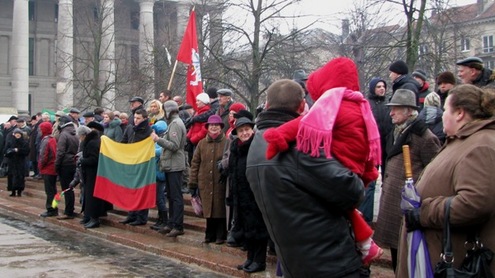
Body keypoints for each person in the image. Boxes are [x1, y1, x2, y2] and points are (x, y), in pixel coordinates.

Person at [263, 58, 383, 267]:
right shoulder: (360, 103)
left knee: (344, 205)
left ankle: (366, 245)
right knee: (348, 208)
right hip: (357, 164)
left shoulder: (333, 103)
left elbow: (304, 124)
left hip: (341, 161)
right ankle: (365, 244)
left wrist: (279, 136)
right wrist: (370, 168)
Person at [246, 79, 365, 277]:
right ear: (302, 106)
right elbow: (352, 191)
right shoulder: (299, 145)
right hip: (329, 262)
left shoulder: (256, 143)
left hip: (292, 261)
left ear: (266, 105)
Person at [397, 84, 495, 277]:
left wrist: (423, 212)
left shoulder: (480, 146)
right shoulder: (465, 140)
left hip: (456, 261)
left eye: (445, 110)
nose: (442, 115)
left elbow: (475, 203)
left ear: (459, 113)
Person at [373, 89, 441, 272]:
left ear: (409, 111)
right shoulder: (397, 131)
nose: (391, 113)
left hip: (406, 205)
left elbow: (434, 171)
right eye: (391, 108)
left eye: (396, 108)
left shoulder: (424, 137)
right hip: (394, 201)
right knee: (396, 254)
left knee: (406, 257)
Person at [228, 117, 269, 273]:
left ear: (252, 130)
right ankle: (250, 258)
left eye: (247, 129)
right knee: (247, 229)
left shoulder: (256, 145)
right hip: (240, 194)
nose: (244, 133)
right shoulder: (235, 147)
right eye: (241, 130)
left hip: (255, 194)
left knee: (258, 229)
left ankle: (259, 261)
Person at [189, 115, 228, 245]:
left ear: (221, 127)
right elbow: (195, 164)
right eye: (211, 125)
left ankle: (220, 235)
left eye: (216, 125)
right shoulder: (202, 143)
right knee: (208, 209)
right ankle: (209, 233)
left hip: (220, 182)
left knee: (220, 208)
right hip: (204, 182)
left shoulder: (227, 142)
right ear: (207, 127)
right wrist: (193, 182)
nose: (214, 127)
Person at [152, 100, 187, 237]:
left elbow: (174, 145)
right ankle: (171, 223)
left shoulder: (176, 124)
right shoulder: (172, 124)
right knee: (171, 196)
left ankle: (178, 225)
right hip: (170, 164)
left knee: (176, 197)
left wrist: (157, 140)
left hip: (175, 165)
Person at [363, 77, 393, 223]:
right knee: (370, 183)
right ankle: (366, 218)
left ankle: (386, 217)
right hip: (372, 149)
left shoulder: (389, 105)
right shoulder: (367, 105)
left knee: (388, 183)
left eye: (383, 86)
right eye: (379, 87)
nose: (382, 89)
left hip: (387, 148)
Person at [119, 109, 153, 226]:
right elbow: (123, 142)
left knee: (141, 191)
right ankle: (131, 214)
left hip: (142, 165)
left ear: (144, 118)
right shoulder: (129, 128)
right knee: (130, 190)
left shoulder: (148, 130)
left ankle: (141, 217)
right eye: (134, 118)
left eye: (138, 118)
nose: (135, 120)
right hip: (130, 163)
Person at [79, 121, 111, 229]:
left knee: (92, 197)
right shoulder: (93, 141)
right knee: (90, 196)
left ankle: (94, 218)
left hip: (93, 173)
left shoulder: (93, 143)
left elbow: (94, 159)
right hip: (91, 173)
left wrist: (82, 160)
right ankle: (91, 217)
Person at [55, 115, 79, 219]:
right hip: (73, 162)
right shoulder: (75, 133)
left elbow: (60, 152)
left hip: (65, 163)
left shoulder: (63, 134)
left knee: (66, 188)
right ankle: (70, 210)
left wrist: (56, 164)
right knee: (70, 188)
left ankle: (68, 211)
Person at [149, 120, 169, 232]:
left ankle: (164, 220)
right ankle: (160, 219)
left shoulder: (162, 140)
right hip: (155, 172)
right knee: (158, 198)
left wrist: (150, 150)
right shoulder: (156, 140)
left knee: (160, 198)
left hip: (160, 173)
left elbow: (161, 151)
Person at [38, 121, 58, 217]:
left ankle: (51, 209)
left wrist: (40, 166)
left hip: (48, 168)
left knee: (50, 191)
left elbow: (43, 156)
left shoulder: (46, 140)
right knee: (53, 190)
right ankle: (54, 207)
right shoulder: (52, 139)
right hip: (52, 168)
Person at [4, 128, 30, 197]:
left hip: (20, 162)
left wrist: (18, 150)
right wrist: (11, 151)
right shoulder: (10, 142)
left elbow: (26, 151)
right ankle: (12, 191)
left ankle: (19, 191)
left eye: (19, 134)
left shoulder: (24, 142)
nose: (17, 135)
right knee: (12, 176)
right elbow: (6, 151)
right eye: (16, 134)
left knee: (20, 177)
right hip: (12, 162)